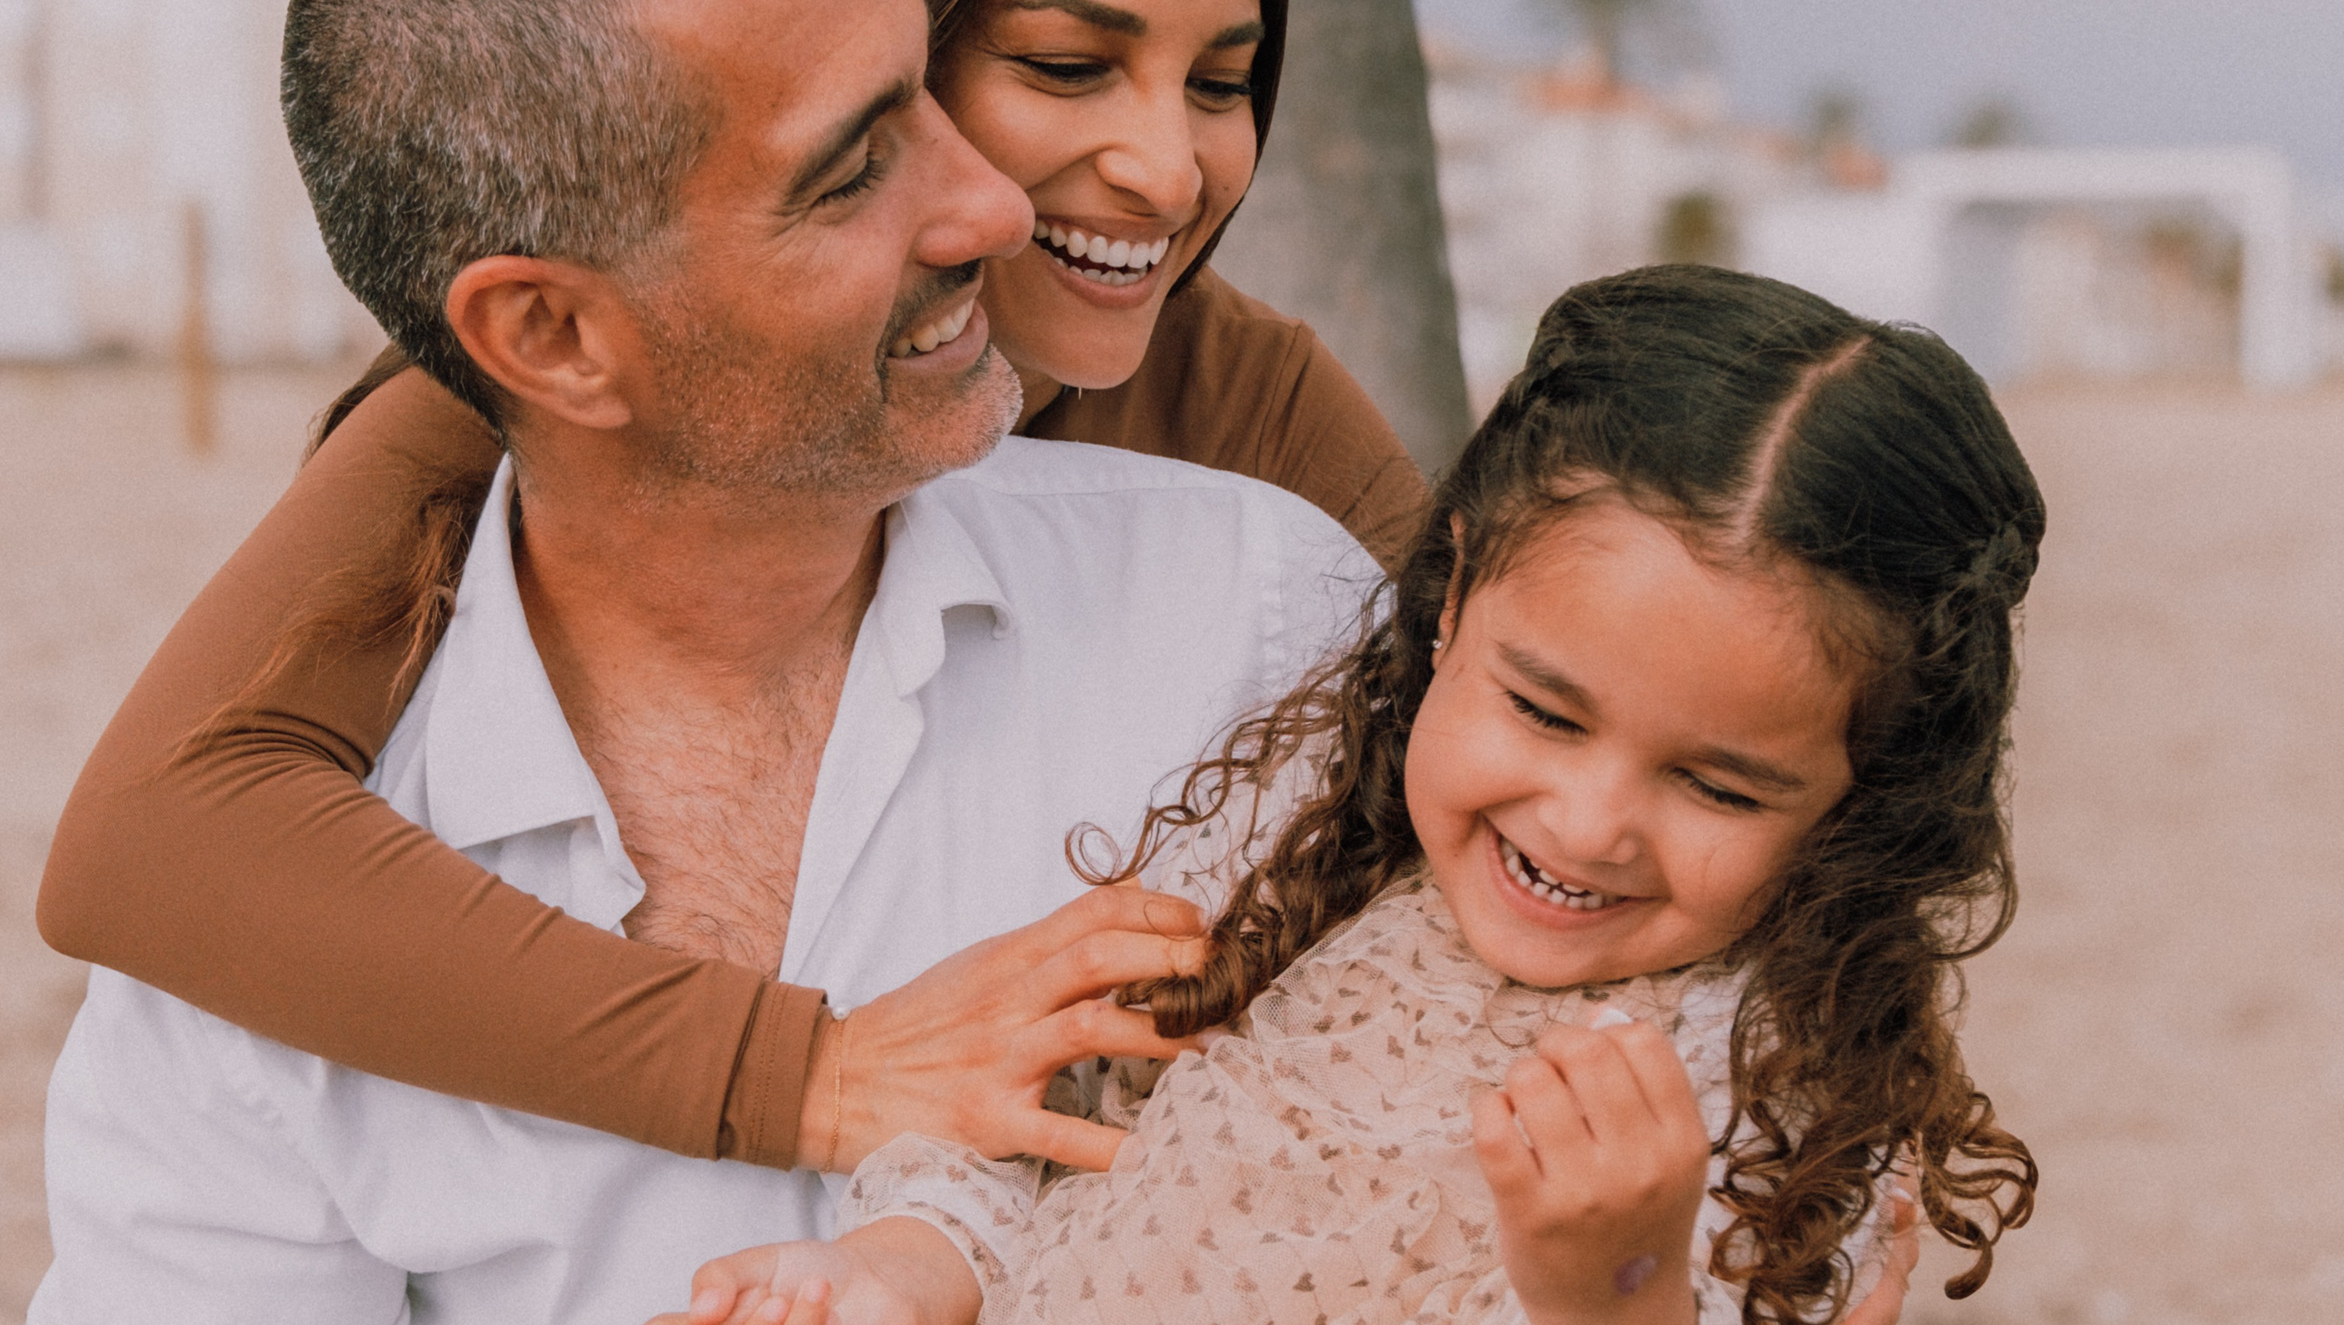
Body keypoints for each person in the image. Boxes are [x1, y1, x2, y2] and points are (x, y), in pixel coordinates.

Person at [34, 0, 1428, 1177]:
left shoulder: (1246, 409)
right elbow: (159, 832)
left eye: (1223, 78)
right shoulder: (529, 401)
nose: (1168, 165)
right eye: (1067, 65)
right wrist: (804, 1074)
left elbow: (1508, 743)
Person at [675, 267, 2036, 1325]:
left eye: (1718, 783)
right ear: (1451, 604)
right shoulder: (1301, 834)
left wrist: (1615, 1288)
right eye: (1543, 710)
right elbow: (1038, 1120)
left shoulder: (1785, 1087)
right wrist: (901, 1266)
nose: (1584, 821)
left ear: (1867, 795)